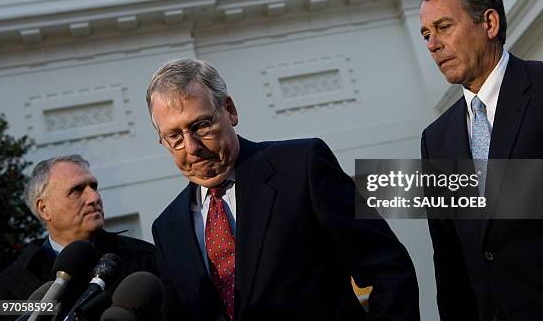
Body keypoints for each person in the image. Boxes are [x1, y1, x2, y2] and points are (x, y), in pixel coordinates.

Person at [147, 59, 420, 321]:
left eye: (200, 125)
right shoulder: (167, 228)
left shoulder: (302, 166)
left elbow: (388, 269)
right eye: (175, 137)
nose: (192, 146)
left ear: (229, 110)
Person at [419, 0, 543, 320]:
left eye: (444, 27)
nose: (433, 44)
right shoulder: (436, 139)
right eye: (426, 34)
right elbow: (450, 261)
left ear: (489, 23)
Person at [0, 155, 158, 306]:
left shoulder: (147, 259)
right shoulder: (7, 290)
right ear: (44, 209)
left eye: (94, 187)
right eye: (76, 190)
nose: (94, 198)